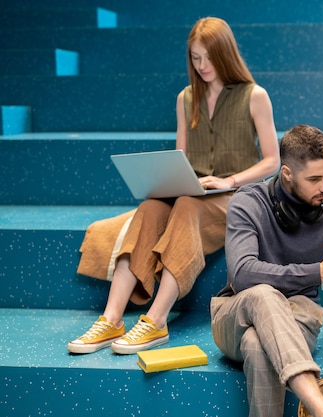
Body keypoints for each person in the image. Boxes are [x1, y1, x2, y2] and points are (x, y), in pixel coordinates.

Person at [68, 17, 280, 355]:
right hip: (194, 189)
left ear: (225, 54)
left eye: (209, 57)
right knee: (150, 208)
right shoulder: (186, 98)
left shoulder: (254, 96)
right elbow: (179, 156)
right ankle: (112, 319)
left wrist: (229, 180)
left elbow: (273, 161)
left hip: (235, 194)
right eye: (195, 58)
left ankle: (156, 320)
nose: (202, 65)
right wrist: (166, 180)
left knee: (186, 207)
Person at [210, 124, 323, 417]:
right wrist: (318, 273)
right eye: (314, 178)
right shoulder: (247, 203)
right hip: (235, 315)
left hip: (297, 317)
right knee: (262, 293)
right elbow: (243, 274)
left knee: (257, 346)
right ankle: (321, 407)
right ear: (286, 173)